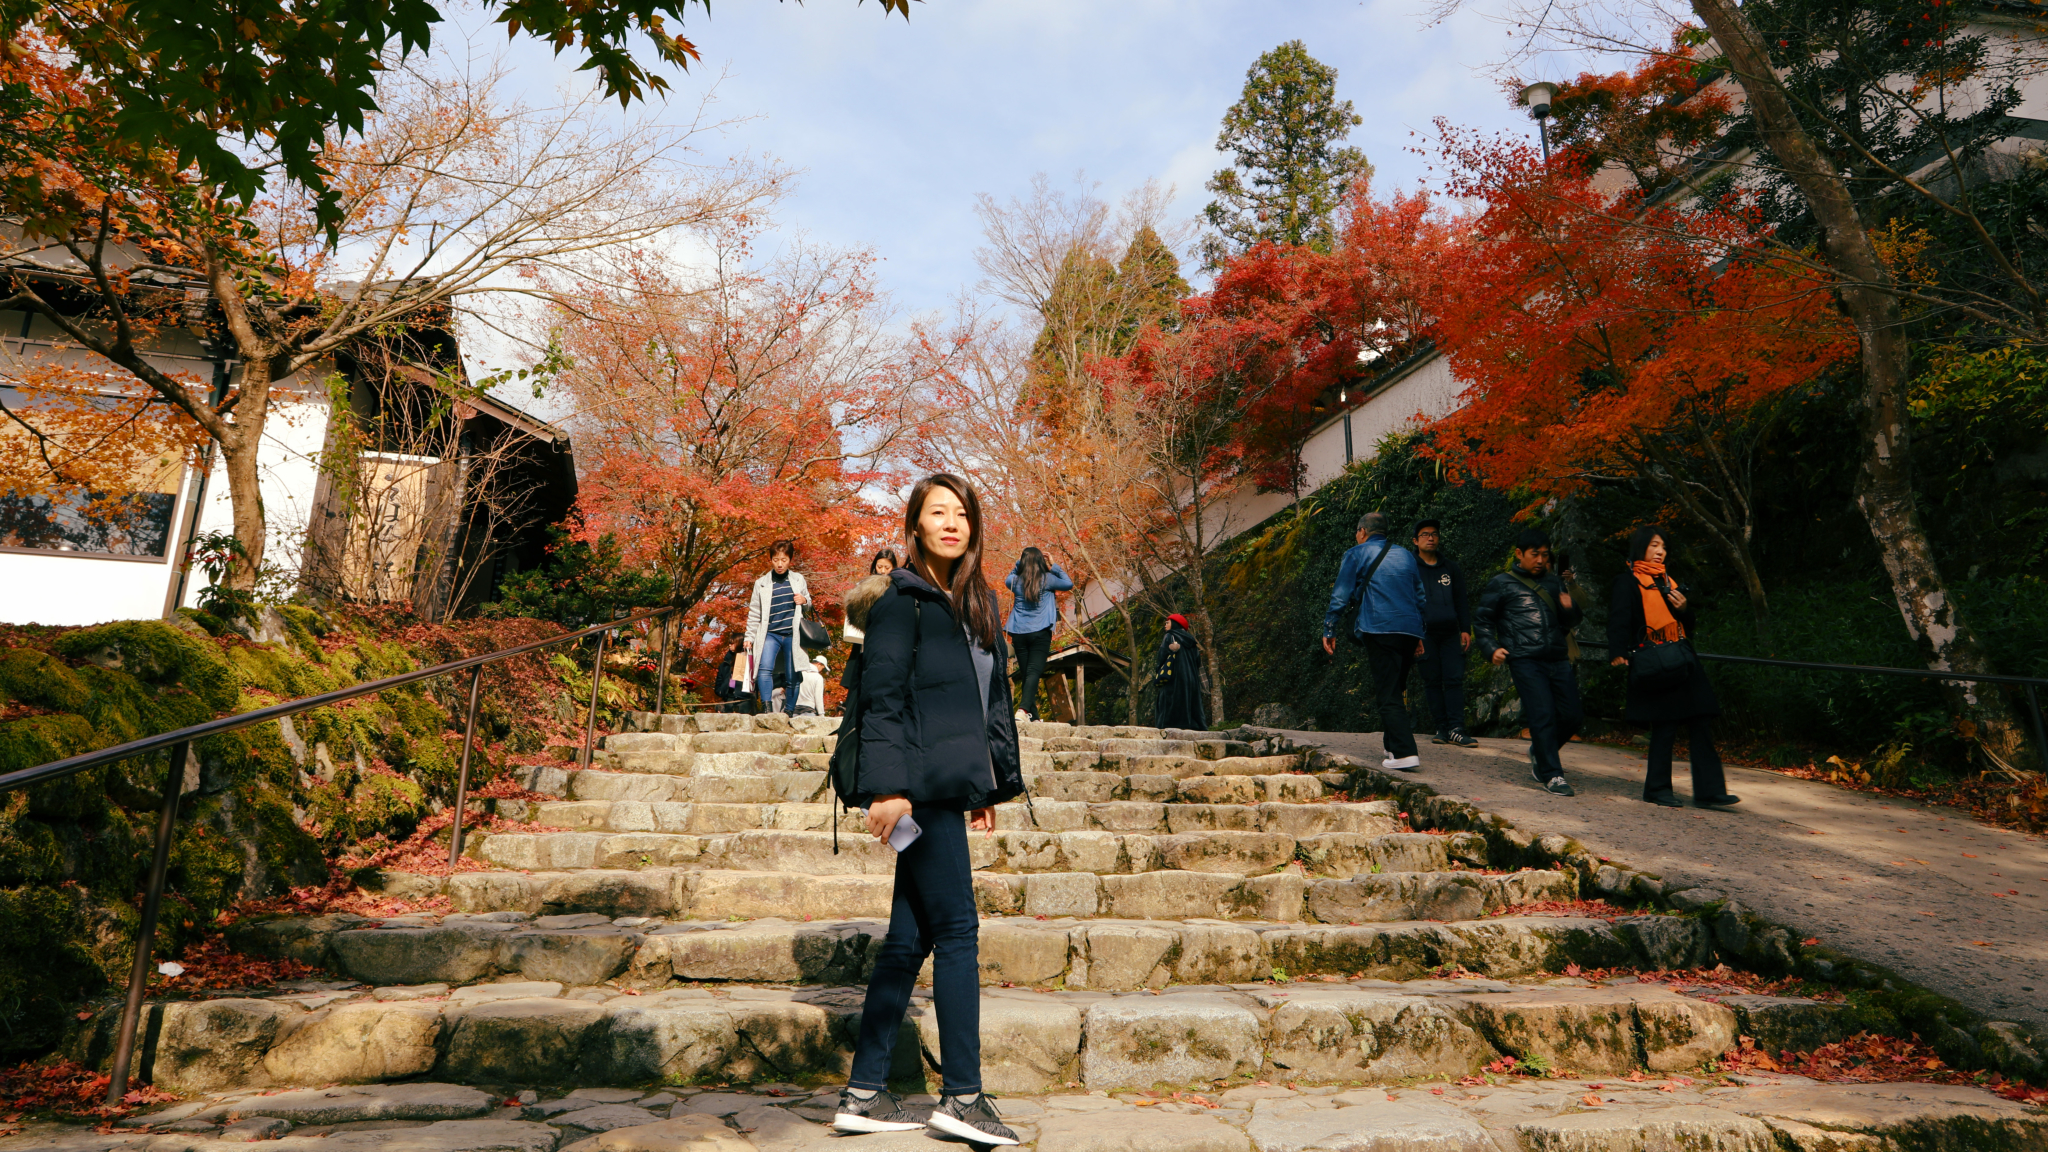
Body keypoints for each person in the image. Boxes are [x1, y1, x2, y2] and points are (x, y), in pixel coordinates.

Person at [832, 473, 1026, 1147]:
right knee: (958, 932)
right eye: (936, 512)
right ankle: (964, 1099)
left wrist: (988, 787)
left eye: (961, 513)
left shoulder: (973, 603)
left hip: (950, 786)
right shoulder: (899, 605)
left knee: (909, 940)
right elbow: (881, 702)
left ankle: (863, 1092)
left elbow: (981, 706)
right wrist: (887, 789)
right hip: (915, 791)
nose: (951, 522)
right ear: (913, 527)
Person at [1609, 526, 1740, 809]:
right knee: (1665, 725)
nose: (1660, 552)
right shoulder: (1628, 581)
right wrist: (1618, 652)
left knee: (1701, 719)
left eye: (1664, 547)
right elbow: (1619, 618)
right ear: (1641, 547)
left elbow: (1688, 624)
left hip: (1682, 657)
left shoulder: (1669, 581)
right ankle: (1657, 789)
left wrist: (1684, 609)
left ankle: (1709, 791)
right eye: (1655, 545)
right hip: (1655, 660)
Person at [1474, 527, 1583, 797]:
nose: (1540, 561)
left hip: (1557, 657)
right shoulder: (1501, 583)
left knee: (1573, 715)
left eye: (1545, 556)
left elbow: (1571, 620)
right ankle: (1552, 774)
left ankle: (1540, 752)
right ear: (1519, 554)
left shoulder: (1553, 582)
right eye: (1535, 555)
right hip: (1524, 659)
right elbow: (1483, 620)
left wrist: (1569, 606)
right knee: (1542, 713)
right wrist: (1491, 648)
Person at [1322, 511, 1429, 771]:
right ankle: (1392, 745)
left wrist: (1329, 628)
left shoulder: (1356, 553)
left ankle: (1405, 753)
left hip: (1379, 628)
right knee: (1397, 686)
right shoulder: (1405, 555)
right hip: (1409, 629)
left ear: (1362, 532)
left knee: (1388, 693)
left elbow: (1340, 596)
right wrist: (1420, 634)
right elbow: (1420, 597)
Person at [1413, 519, 1478, 747]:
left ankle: (1457, 729)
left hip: (1451, 632)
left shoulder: (1451, 568)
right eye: (1424, 534)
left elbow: (1461, 601)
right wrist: (1413, 636)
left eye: (1434, 534)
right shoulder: (1409, 568)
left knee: (1454, 680)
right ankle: (1441, 728)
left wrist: (1465, 629)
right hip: (1423, 634)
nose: (1430, 538)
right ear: (1415, 540)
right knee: (1432, 681)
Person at [1003, 546, 1072, 722]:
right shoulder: (1048, 579)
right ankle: (1023, 710)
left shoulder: (1015, 581)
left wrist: (1021, 562)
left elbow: (1008, 576)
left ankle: (1033, 717)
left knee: (1027, 673)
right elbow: (1068, 583)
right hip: (1040, 632)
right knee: (1033, 672)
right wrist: (1053, 564)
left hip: (1019, 632)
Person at [745, 540, 811, 717]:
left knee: (793, 675)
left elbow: (808, 603)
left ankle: (788, 712)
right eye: (776, 559)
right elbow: (754, 612)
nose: (780, 564)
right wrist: (749, 637)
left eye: (784, 559)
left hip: (792, 633)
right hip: (770, 633)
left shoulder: (798, 580)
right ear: (771, 560)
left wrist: (804, 601)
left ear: (790, 560)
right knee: (764, 668)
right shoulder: (761, 583)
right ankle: (766, 709)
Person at [1154, 613, 1207, 730]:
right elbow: (1198, 661)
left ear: (1175, 624)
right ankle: (1194, 726)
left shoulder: (1169, 636)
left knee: (1170, 700)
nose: (1165, 624)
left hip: (1175, 677)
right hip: (1191, 678)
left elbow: (1162, 656)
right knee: (1190, 701)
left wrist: (1159, 669)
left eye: (1167, 622)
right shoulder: (1192, 641)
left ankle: (1169, 726)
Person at [842, 550, 899, 651]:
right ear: (874, 565)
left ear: (893, 567)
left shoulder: (897, 587)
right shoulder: (865, 585)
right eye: (879, 566)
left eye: (887, 567)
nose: (882, 571)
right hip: (864, 636)